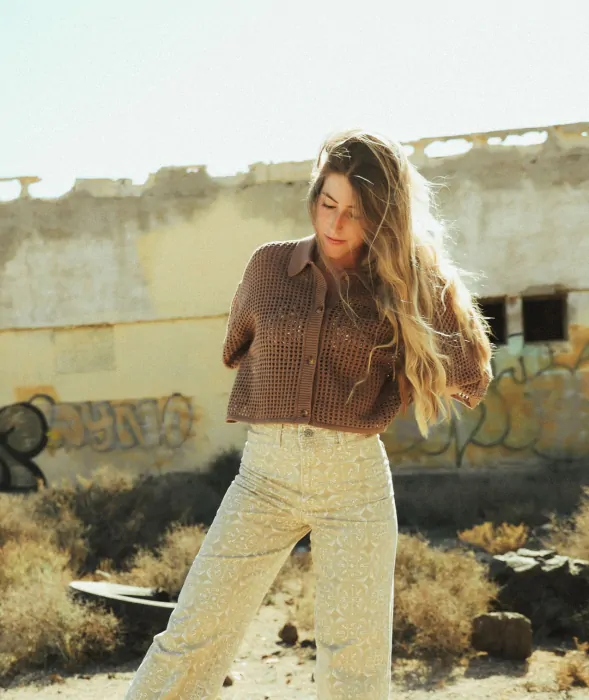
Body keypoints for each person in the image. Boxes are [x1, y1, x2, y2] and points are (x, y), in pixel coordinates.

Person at [124, 129, 494, 699]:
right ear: (314, 197)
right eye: (328, 203)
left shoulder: (400, 284)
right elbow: (237, 346)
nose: (336, 224)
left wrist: (424, 280)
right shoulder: (268, 266)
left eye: (356, 213)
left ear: (383, 218)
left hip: (354, 484)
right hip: (263, 477)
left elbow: (471, 375)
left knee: (354, 666)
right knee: (192, 635)